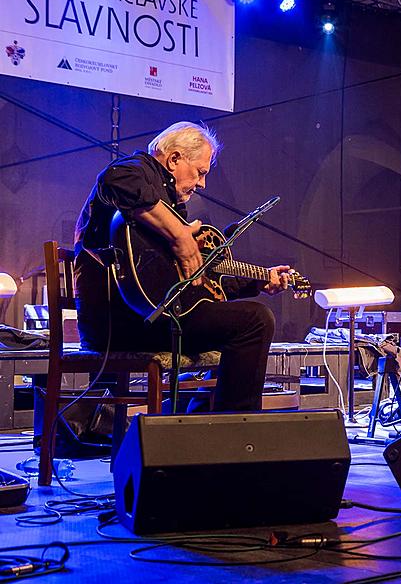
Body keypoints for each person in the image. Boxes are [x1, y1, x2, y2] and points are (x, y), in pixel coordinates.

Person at [74, 122, 295, 412]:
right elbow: (115, 178)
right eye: (200, 172)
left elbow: (197, 286)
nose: (202, 183)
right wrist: (180, 235)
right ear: (175, 158)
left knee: (248, 318)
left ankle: (206, 420)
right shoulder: (139, 169)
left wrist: (258, 282)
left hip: (153, 316)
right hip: (120, 322)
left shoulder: (171, 209)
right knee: (255, 321)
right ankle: (233, 431)